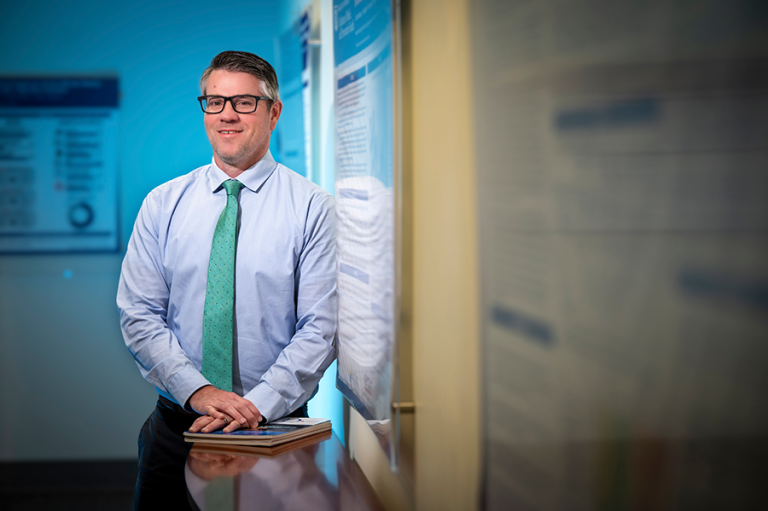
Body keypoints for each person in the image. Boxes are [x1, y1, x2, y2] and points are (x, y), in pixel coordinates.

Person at [117, 50, 337, 507]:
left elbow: (321, 327)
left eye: (244, 102)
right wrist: (198, 392)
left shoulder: (313, 208)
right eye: (214, 102)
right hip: (177, 427)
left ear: (274, 112)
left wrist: (255, 404)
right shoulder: (162, 204)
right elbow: (139, 314)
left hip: (274, 428)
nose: (227, 115)